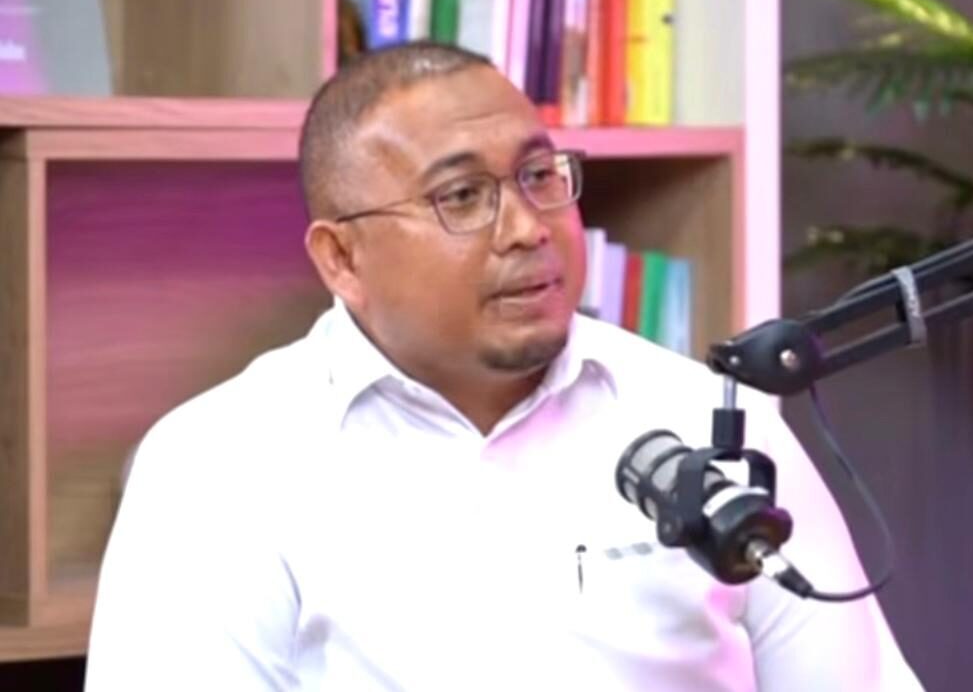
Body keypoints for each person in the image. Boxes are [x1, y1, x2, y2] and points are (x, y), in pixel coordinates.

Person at [85, 41, 922, 691]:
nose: (527, 227)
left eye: (538, 176)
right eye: (461, 196)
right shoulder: (218, 465)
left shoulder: (708, 419)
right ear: (342, 258)